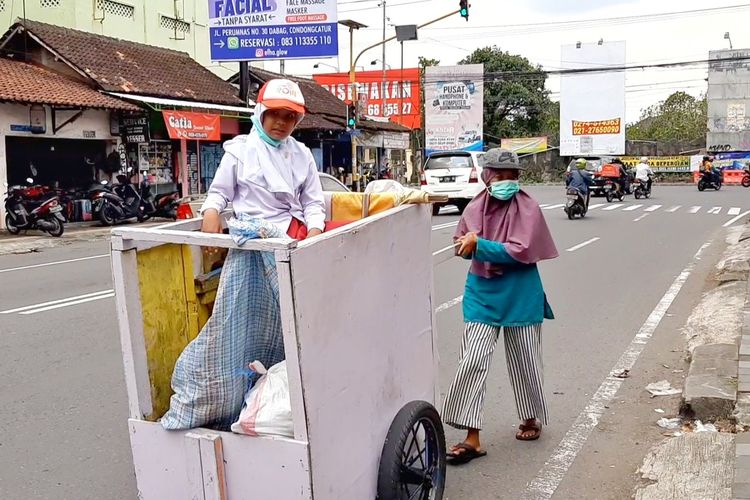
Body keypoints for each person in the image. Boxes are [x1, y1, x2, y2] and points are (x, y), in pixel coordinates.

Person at [442, 148, 559, 465]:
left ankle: (530, 417)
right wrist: (466, 246)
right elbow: (462, 247)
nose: (506, 182)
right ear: (487, 177)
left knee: (526, 363)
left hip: (521, 291)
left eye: (512, 176)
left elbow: (520, 250)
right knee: (472, 360)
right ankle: (471, 437)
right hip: (482, 291)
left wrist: (480, 244)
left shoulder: (530, 208)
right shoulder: (474, 208)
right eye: (500, 176)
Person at [201, 78, 329, 240]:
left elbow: (313, 202)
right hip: (250, 238)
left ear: (297, 120)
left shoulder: (302, 154)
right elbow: (219, 192)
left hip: (292, 234)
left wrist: (314, 232)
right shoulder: (240, 151)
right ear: (261, 113)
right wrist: (211, 211)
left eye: (289, 116)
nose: (281, 122)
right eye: (274, 113)